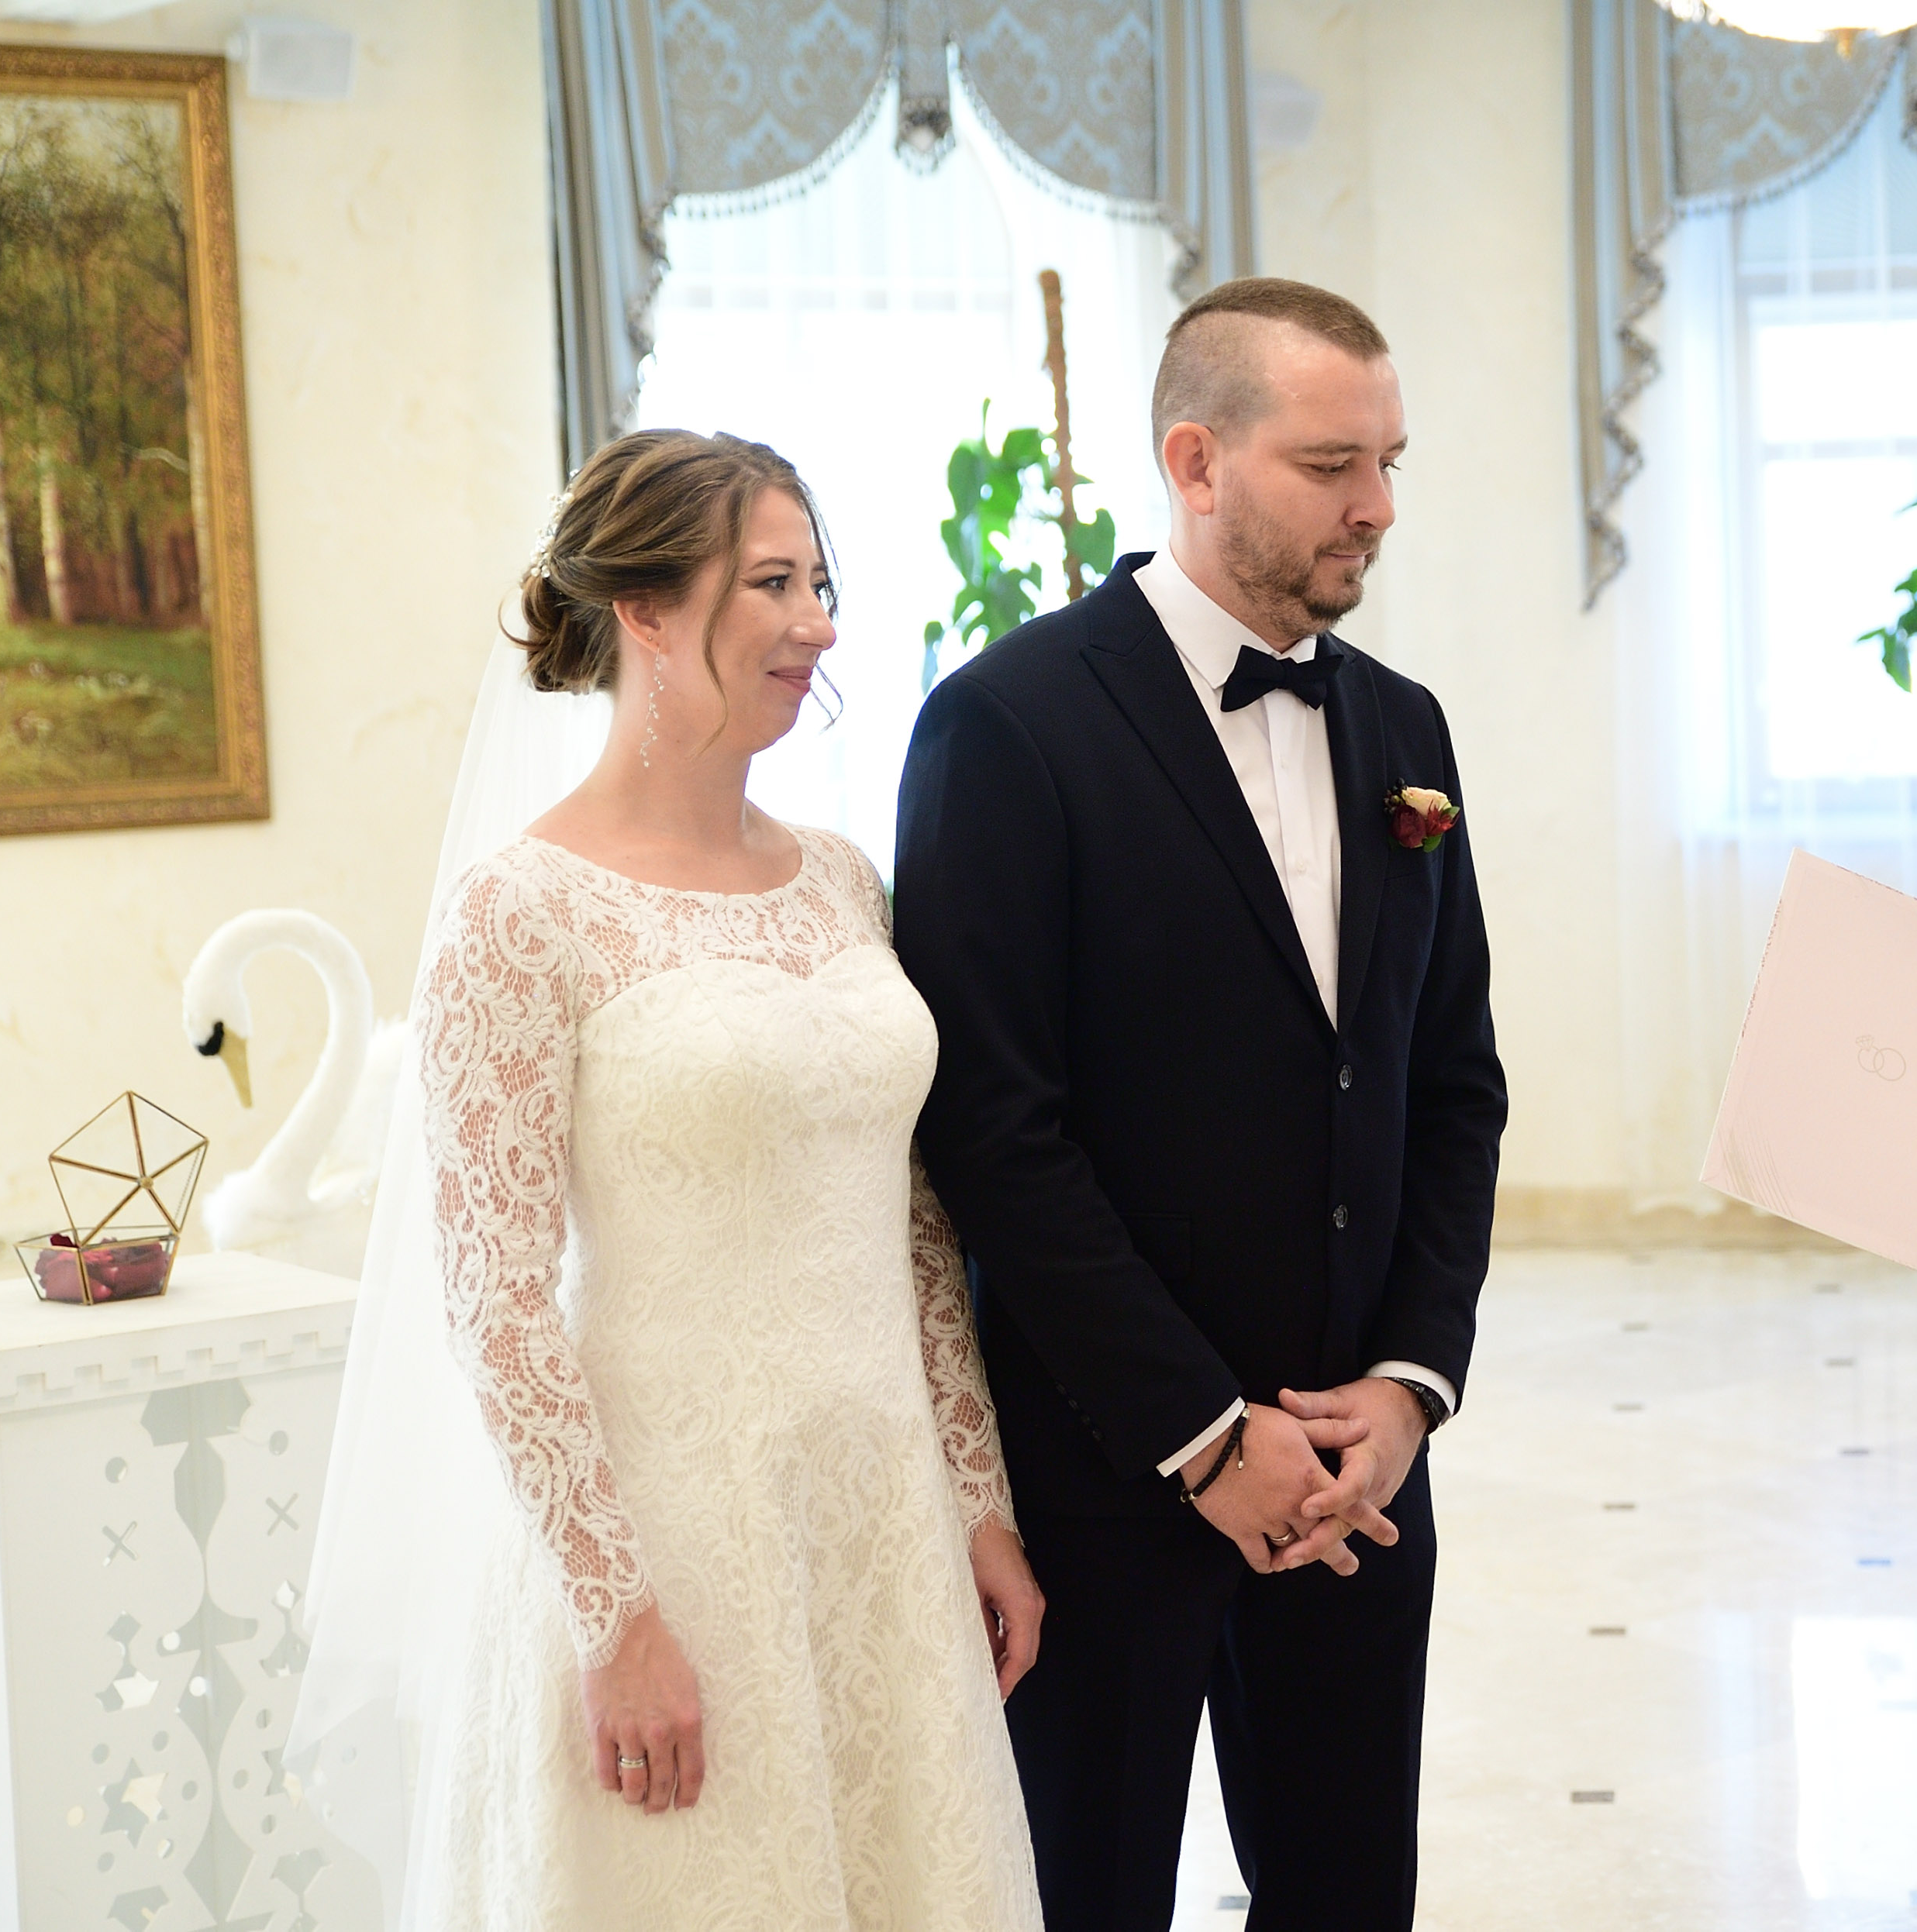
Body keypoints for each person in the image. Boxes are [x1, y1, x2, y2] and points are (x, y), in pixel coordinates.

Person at [894, 277, 1509, 1930]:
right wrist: (1204, 1434)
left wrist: (1406, 1387)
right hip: (1108, 1473)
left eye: (1389, 462)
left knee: (1346, 1893)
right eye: (1331, 464)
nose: (1377, 506)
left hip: (1357, 1474)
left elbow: (1452, 1085)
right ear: (1195, 460)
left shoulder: (1404, 726)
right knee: (1087, 1896)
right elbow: (992, 1130)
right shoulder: (1005, 724)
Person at [395, 430, 1043, 1927]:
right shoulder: (519, 914)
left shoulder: (842, 877)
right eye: (772, 583)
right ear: (642, 609)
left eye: (822, 583)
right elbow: (497, 1301)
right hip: (672, 1534)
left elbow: (912, 1222)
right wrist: (614, 1614)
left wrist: (977, 1498)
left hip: (876, 1513)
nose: (818, 623)